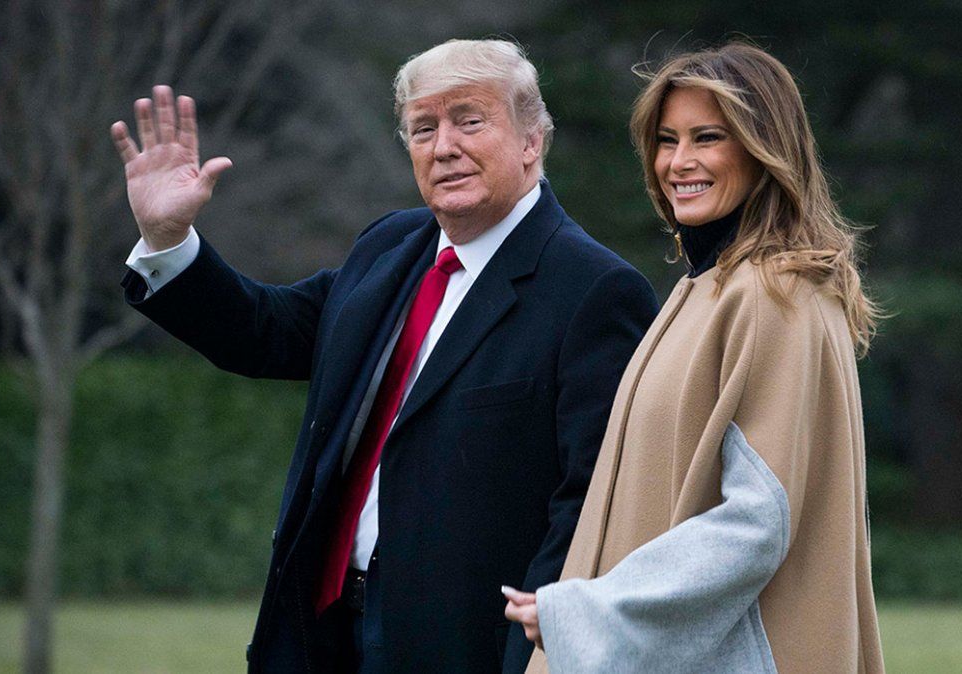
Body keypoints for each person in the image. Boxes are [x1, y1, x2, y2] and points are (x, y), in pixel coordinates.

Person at [111, 39, 658, 673]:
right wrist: (169, 239)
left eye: (469, 121)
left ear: (531, 139)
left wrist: (535, 652)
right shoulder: (389, 247)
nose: (443, 146)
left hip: (466, 652)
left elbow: (591, 504)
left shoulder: (594, 290)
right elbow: (266, 331)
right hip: (323, 635)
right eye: (423, 128)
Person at [505, 42, 885, 673]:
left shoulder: (773, 294)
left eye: (707, 137)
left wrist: (598, 613)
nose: (678, 162)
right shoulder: (706, 287)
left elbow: (757, 522)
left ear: (764, 149)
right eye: (666, 140)